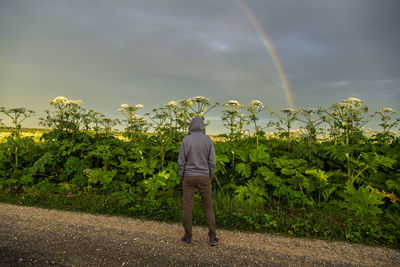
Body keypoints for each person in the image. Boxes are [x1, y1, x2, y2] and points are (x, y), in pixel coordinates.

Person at [178, 116, 218, 246]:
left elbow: (181, 161)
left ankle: (187, 236)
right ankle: (212, 237)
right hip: (204, 177)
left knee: (187, 207)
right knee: (207, 206)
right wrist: (210, 176)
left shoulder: (185, 140)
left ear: (191, 126)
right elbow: (212, 162)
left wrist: (182, 176)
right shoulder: (208, 141)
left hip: (188, 177)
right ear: (202, 126)